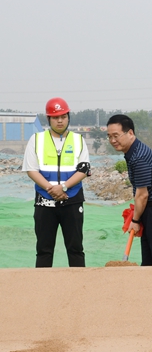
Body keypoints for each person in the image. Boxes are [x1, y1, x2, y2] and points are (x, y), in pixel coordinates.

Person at [22, 97, 91, 267]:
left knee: (75, 249)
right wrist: (51, 189)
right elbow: (31, 169)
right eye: (55, 117)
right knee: (44, 250)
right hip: (44, 200)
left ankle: (80, 290)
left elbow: (83, 169)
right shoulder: (36, 139)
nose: (60, 121)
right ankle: (43, 290)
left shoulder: (78, 140)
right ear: (48, 119)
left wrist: (64, 187)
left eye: (63, 116)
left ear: (68, 117)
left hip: (72, 200)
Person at [106, 114, 152, 266]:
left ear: (130, 133)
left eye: (116, 136)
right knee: (148, 265)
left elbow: (142, 195)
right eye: (109, 136)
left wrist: (135, 220)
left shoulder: (139, 157)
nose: (113, 140)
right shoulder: (132, 152)